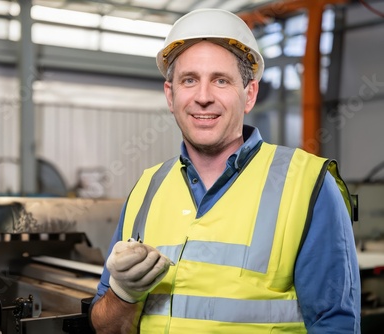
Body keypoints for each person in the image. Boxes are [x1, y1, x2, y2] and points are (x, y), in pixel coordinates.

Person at [89, 8, 361, 334]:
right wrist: (124, 294)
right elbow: (105, 327)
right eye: (189, 80)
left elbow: (335, 325)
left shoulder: (309, 185)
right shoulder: (147, 189)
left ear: (249, 94)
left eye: (221, 80)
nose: (203, 97)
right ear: (170, 94)